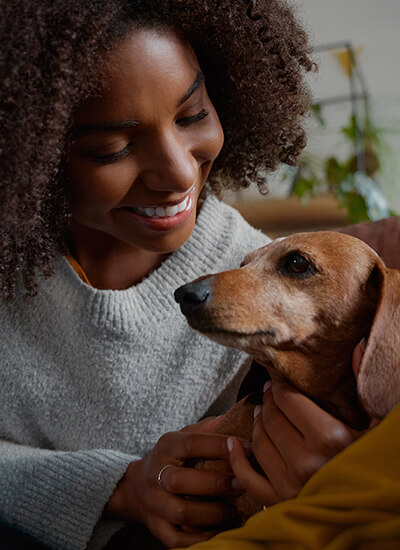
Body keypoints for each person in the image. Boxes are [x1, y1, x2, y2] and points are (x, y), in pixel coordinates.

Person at [0, 1, 367, 549]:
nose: (177, 173)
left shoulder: (273, 293)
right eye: (111, 148)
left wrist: (333, 479)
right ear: (30, 154)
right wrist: (121, 486)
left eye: (193, 115)